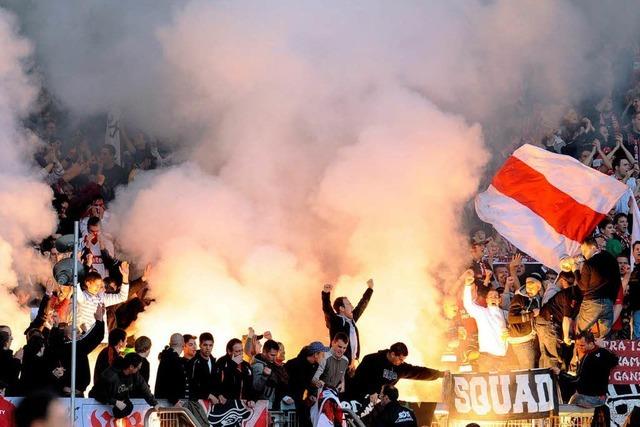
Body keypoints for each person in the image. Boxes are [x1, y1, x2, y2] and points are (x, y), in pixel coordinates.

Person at [350, 342, 445, 404]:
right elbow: (358, 379)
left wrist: (439, 374)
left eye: (403, 360)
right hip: (362, 400)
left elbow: (418, 372)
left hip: (383, 404)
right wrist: (372, 392)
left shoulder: (400, 368)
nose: (401, 362)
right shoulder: (371, 359)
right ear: (392, 354)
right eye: (400, 359)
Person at [552, 332, 618, 408]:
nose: (579, 347)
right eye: (577, 345)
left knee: (573, 401)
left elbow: (577, 380)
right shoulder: (604, 352)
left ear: (591, 343)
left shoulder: (589, 358)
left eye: (582, 345)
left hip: (590, 398)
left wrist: (560, 373)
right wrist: (603, 347)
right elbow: (615, 360)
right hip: (601, 397)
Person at [572, 237, 621, 338]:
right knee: (603, 339)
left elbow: (583, 286)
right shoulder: (612, 259)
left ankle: (578, 354)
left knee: (580, 334)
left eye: (585, 251)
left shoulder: (589, 263)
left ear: (593, 247)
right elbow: (617, 282)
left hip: (592, 303)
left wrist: (575, 271)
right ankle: (602, 353)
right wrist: (611, 299)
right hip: (608, 303)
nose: (584, 254)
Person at [461, 269, 508, 371]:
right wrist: (468, 286)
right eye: (490, 296)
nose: (493, 298)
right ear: (486, 300)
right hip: (487, 358)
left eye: (496, 296)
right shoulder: (481, 312)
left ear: (500, 300)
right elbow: (468, 304)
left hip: (503, 358)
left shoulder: (505, 314)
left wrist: (510, 332)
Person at [321, 279, 373, 365]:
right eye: (349, 304)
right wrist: (326, 293)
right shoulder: (336, 320)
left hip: (351, 363)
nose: (352, 307)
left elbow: (361, 305)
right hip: (338, 362)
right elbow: (327, 309)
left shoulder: (351, 320)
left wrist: (370, 289)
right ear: (341, 308)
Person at [535, 273, 581, 370]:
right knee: (553, 356)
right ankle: (553, 381)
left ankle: (552, 379)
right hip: (548, 321)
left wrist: (572, 334)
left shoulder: (577, 295)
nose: (570, 285)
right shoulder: (568, 294)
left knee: (550, 355)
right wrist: (567, 337)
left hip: (549, 321)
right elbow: (567, 318)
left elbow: (573, 317)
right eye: (569, 282)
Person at [90, 353, 158, 418]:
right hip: (100, 405)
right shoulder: (110, 376)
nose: (138, 370)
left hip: (117, 402)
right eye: (138, 368)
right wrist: (115, 402)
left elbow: (144, 388)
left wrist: (155, 404)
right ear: (131, 367)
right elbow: (96, 393)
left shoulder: (135, 375)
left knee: (128, 407)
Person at [76, 264, 130, 335]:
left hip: (102, 340)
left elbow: (122, 297)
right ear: (88, 283)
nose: (98, 288)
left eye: (100, 285)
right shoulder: (82, 296)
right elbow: (76, 287)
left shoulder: (102, 297)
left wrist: (125, 277)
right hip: (87, 340)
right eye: (97, 285)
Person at [283, 342, 327, 427]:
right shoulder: (293, 364)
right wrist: (285, 396)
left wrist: (312, 394)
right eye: (322, 354)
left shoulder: (315, 367)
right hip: (289, 407)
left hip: (303, 406)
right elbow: (283, 383)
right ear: (315, 354)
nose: (324, 356)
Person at [507, 273, 543, 369]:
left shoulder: (536, 299)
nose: (529, 289)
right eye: (528, 286)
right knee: (528, 371)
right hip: (521, 340)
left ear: (539, 287)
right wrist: (531, 314)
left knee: (533, 369)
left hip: (530, 338)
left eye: (532, 286)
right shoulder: (519, 298)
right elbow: (511, 318)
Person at [213, 338, 256, 405]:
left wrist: (252, 399)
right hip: (225, 405)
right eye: (237, 351)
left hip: (243, 406)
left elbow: (251, 387)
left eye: (242, 350)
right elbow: (215, 383)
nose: (241, 353)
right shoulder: (221, 362)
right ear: (229, 351)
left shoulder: (246, 365)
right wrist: (219, 394)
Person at [251, 339, 288, 409]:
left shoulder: (272, 364)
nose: (274, 358)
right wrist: (264, 376)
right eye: (272, 355)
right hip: (261, 405)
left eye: (275, 355)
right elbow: (256, 387)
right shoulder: (258, 366)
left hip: (271, 404)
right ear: (264, 352)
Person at [155, 333, 190, 405]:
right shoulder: (173, 359)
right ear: (183, 344)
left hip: (164, 402)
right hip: (171, 405)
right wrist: (175, 401)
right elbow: (170, 382)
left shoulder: (166, 357)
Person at [187, 332, 217, 403]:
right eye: (205, 345)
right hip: (197, 403)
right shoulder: (193, 362)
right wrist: (208, 395)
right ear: (200, 345)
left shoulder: (213, 362)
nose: (208, 348)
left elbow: (216, 383)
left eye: (210, 345)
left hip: (212, 404)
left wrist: (219, 395)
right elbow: (191, 385)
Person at [0, 328, 20, 396]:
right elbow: (10, 380)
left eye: (10, 335)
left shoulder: (8, 355)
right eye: (6, 335)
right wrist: (17, 360)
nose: (11, 338)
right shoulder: (5, 356)